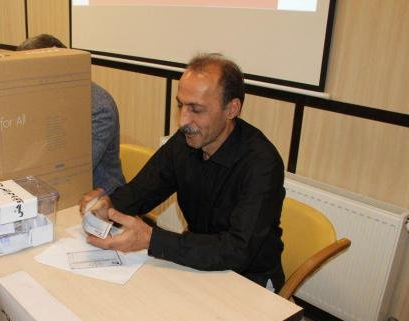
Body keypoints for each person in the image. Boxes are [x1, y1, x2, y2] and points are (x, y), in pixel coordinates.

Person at [80, 53, 286, 291]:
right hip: (199, 263)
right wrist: (108, 206)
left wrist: (152, 239)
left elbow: (238, 250)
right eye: (181, 105)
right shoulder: (185, 142)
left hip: (249, 279)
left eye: (196, 109)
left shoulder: (262, 163)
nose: (183, 121)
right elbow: (141, 191)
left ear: (231, 109)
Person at [16, 34, 125, 195]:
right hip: (58, 187)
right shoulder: (47, 97)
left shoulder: (98, 107)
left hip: (100, 196)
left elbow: (74, 166)